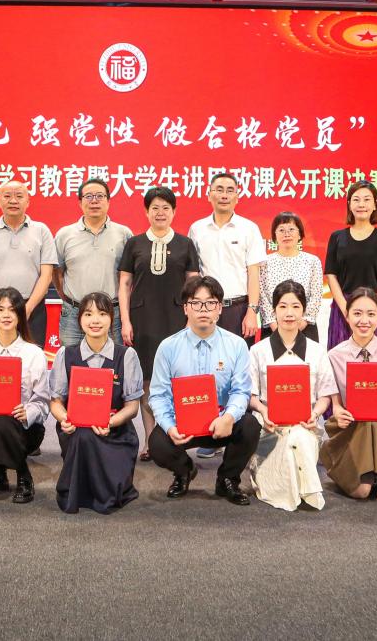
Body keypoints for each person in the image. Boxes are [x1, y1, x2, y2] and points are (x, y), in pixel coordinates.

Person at [147, 275, 259, 505]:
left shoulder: (236, 345)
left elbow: (241, 391)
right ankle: (184, 471)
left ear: (219, 308)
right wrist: (169, 427)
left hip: (221, 423)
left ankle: (227, 479)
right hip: (183, 425)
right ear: (185, 308)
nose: (203, 309)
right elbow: (158, 395)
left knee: (250, 426)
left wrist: (228, 418)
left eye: (210, 303)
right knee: (157, 443)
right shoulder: (168, 347)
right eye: (196, 303)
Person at [117, 186, 200, 458]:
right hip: (143, 320)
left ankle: (178, 437)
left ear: (174, 212)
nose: (160, 213)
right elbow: (124, 284)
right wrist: (126, 321)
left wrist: (192, 321)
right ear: (146, 211)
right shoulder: (135, 243)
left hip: (177, 320)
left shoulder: (185, 244)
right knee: (147, 383)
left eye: (166, 208)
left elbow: (193, 285)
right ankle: (151, 441)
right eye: (155, 208)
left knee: (178, 381)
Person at [49, 291, 143, 514]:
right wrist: (64, 418)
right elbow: (56, 401)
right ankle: (76, 491)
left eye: (102, 314)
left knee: (112, 493)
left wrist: (111, 422)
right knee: (83, 434)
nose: (95, 320)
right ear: (79, 319)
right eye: (88, 314)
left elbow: (132, 407)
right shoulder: (66, 354)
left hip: (115, 431)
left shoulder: (126, 355)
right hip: (76, 430)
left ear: (111, 318)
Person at [246, 280, 337, 511]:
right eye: (283, 306)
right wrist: (264, 410)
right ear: (273, 310)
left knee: (299, 436)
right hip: (269, 425)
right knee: (284, 450)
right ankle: (299, 487)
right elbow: (251, 395)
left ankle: (305, 490)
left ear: (303, 310)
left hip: (306, 423)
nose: (289, 313)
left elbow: (325, 395)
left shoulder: (317, 351)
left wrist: (314, 413)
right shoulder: (258, 351)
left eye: (296, 306)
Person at [319, 288, 377, 502]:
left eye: (371, 314)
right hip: (349, 427)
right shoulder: (334, 356)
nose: (364, 320)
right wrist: (339, 412)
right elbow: (336, 405)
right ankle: (376, 476)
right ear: (347, 316)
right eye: (357, 313)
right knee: (361, 492)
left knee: (374, 419)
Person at [0, 287, 52, 503]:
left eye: (12, 310)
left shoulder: (34, 353)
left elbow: (43, 402)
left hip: (26, 428)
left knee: (3, 421)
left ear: (20, 315)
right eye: (0, 309)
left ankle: (23, 475)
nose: (6, 315)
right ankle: (0, 466)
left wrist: (28, 412)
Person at [0, 179, 58, 344]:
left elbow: (47, 275)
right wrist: (1, 308)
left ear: (28, 201)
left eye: (19, 196)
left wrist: (26, 309)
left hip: (33, 309)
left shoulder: (42, 231)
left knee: (32, 357)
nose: (13, 201)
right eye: (7, 196)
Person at [187, 171, 267, 344]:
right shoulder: (197, 229)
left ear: (237, 197)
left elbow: (254, 273)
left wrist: (252, 311)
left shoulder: (249, 228)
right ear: (209, 195)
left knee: (238, 358)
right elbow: (193, 274)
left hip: (238, 309)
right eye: (219, 190)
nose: (224, 195)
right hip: (205, 308)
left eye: (230, 190)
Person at [54, 178, 132, 347]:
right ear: (80, 202)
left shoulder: (124, 234)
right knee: (71, 360)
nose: (94, 201)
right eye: (88, 196)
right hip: (73, 313)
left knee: (113, 361)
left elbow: (128, 277)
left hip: (112, 313)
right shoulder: (64, 235)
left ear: (108, 201)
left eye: (100, 196)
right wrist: (70, 298)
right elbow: (57, 273)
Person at [325, 180, 377, 348]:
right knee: (342, 358)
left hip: (375, 308)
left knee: (376, 358)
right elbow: (331, 275)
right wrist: (346, 309)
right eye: (356, 200)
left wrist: (374, 307)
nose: (361, 204)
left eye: (367, 199)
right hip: (343, 309)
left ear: (375, 204)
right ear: (349, 204)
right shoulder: (337, 237)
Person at [256, 212, 324, 342]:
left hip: (305, 327)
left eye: (291, 229)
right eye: (281, 230)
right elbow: (262, 295)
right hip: (273, 327)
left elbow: (316, 295)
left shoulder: (312, 261)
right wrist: (274, 325)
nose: (286, 234)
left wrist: (302, 323)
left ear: (300, 234)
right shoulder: (264, 263)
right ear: (274, 235)